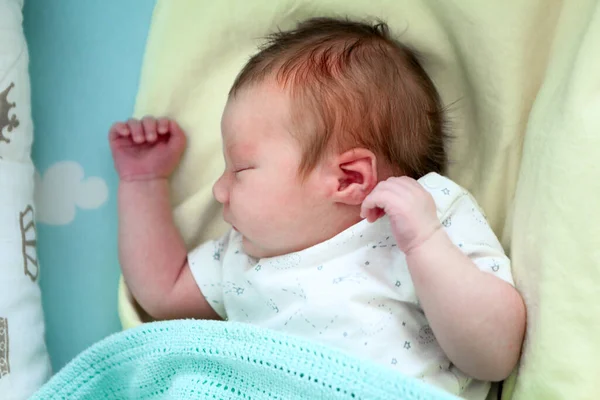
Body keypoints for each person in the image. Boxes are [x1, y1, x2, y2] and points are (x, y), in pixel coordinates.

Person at [109, 17, 526, 399]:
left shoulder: (424, 218)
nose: (219, 190)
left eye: (240, 168)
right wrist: (143, 183)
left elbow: (494, 356)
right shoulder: (244, 252)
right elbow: (162, 293)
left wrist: (425, 243)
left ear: (347, 179)